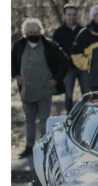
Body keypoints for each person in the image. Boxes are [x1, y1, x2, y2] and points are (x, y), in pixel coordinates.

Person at [11, 18, 69, 158]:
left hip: (44, 90)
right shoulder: (19, 45)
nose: (33, 34)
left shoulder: (50, 45)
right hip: (26, 91)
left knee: (44, 119)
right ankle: (29, 147)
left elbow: (64, 61)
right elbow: (11, 61)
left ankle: (44, 146)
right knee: (29, 120)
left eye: (35, 32)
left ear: (40, 32)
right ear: (25, 32)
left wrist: (56, 79)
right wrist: (16, 75)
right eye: (30, 32)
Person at [52, 4, 88, 112]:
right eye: (69, 14)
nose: (71, 17)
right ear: (64, 16)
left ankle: (87, 113)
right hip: (67, 69)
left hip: (83, 67)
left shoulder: (83, 31)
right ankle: (69, 115)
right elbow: (54, 53)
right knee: (68, 95)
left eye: (74, 14)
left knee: (87, 93)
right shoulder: (58, 32)